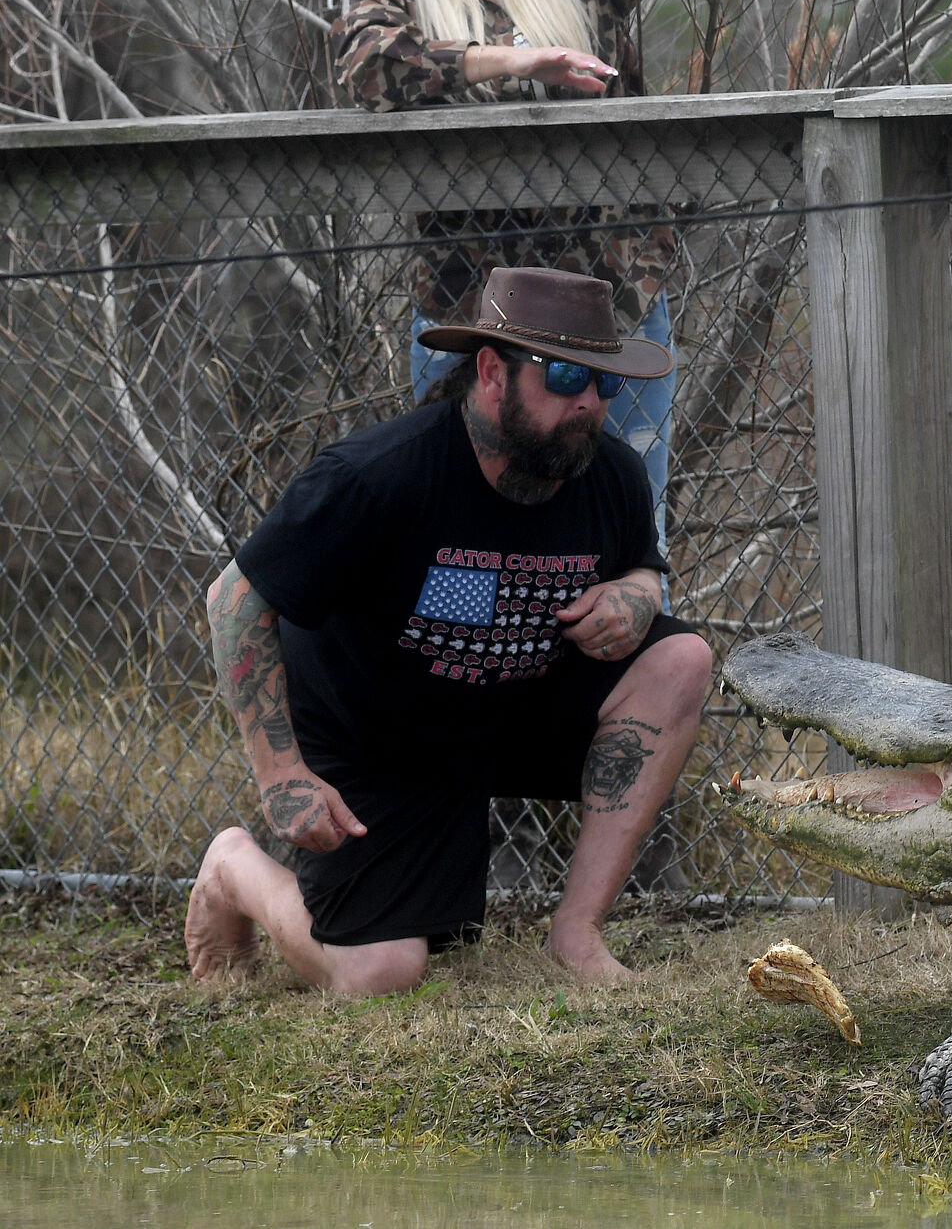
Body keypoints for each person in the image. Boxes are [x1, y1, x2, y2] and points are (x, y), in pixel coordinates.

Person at [183, 267, 715, 993]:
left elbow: (645, 568)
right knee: (382, 971)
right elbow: (234, 600)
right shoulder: (379, 475)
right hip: (382, 737)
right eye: (565, 375)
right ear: (493, 372)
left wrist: (639, 593)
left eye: (605, 383)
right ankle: (233, 866)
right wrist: (282, 774)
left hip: (510, 708)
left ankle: (576, 930)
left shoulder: (609, 473)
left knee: (682, 658)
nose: (589, 402)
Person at [330, 0, 698, 563]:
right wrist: (511, 58)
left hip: (611, 306)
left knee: (628, 541)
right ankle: (477, 698)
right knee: (464, 546)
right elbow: (365, 63)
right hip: (473, 324)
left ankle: (628, 692)